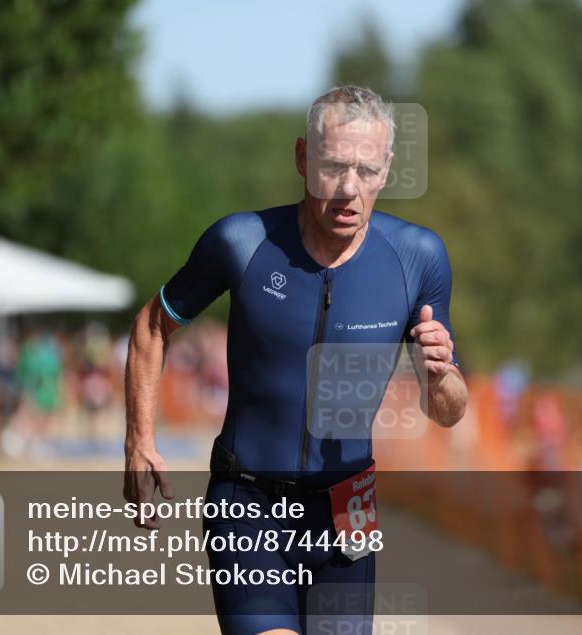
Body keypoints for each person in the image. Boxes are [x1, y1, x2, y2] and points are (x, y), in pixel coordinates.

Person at [123, 85, 468, 635]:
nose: (349, 190)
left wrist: (440, 375)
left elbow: (449, 410)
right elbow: (150, 326)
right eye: (332, 167)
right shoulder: (242, 241)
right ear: (302, 159)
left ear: (388, 169)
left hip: (348, 514)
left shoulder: (417, 258)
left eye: (367, 170)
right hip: (249, 506)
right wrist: (140, 440)